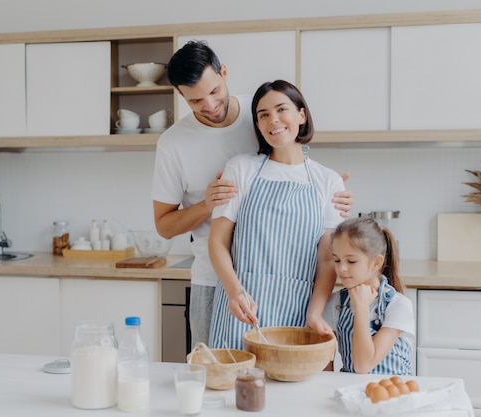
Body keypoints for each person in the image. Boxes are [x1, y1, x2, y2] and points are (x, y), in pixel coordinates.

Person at [151, 40, 354, 350]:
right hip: (216, 279)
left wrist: (331, 190)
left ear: (224, 73)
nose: (210, 105)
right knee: (218, 378)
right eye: (195, 101)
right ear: (181, 96)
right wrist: (208, 203)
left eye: (215, 91)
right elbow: (165, 226)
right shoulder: (175, 144)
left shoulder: (259, 108)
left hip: (296, 288)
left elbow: (291, 150)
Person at [208, 79, 345, 350]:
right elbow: (218, 242)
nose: (274, 120)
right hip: (243, 310)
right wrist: (234, 292)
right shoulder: (240, 169)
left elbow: (327, 258)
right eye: (263, 115)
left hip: (297, 311)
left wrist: (314, 313)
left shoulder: (328, 181)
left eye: (282, 109)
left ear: (301, 115)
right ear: (258, 125)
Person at [323, 217, 415, 375]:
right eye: (337, 260)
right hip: (350, 394)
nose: (342, 268)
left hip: (393, 395)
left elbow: (363, 365)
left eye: (351, 261)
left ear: (377, 263)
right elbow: (325, 367)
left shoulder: (397, 305)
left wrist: (361, 308)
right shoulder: (335, 303)